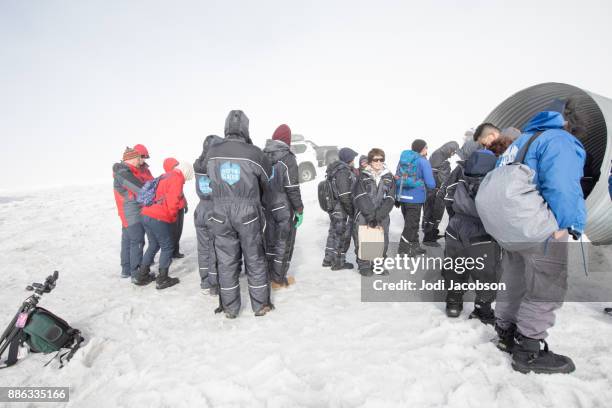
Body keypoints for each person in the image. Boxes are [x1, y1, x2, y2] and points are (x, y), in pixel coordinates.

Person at [494, 109, 586, 374]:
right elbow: (563, 185)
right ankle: (528, 350)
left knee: (514, 280)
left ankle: (505, 333)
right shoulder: (559, 140)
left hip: (514, 228)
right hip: (541, 226)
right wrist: (565, 222)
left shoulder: (521, 141)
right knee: (547, 285)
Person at [203, 110, 273, 318]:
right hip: (248, 211)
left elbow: (207, 174)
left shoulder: (212, 152)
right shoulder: (254, 152)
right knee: (254, 258)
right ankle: (260, 305)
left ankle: (230, 308)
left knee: (226, 261)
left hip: (220, 212)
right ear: (245, 128)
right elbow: (267, 178)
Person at [442, 149, 500, 323]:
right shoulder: (494, 181)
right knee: (486, 271)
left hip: (455, 227)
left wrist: (455, 217)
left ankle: (453, 302)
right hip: (482, 229)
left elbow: (446, 196)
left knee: (454, 264)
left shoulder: (460, 175)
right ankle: (483, 307)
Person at [139, 158, 193, 290]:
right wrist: (172, 217)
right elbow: (173, 200)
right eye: (188, 177)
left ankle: (142, 275)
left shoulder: (165, 175)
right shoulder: (177, 178)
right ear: (185, 172)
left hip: (146, 213)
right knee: (168, 246)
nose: (186, 180)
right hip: (159, 216)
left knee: (153, 244)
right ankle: (162, 279)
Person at [263, 124, 304, 289]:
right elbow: (292, 187)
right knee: (283, 242)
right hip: (283, 206)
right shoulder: (288, 158)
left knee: (270, 240)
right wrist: (299, 209)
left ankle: (268, 275)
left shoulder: (263, 155)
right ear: (287, 140)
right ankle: (278, 280)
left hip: (267, 204)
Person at [352, 148, 396, 276]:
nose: (378, 162)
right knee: (364, 239)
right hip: (365, 214)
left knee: (382, 240)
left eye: (381, 159)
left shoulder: (389, 177)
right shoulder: (362, 176)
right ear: (370, 161)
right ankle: (364, 265)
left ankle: (378, 265)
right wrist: (371, 215)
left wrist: (379, 215)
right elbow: (360, 196)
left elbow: (390, 198)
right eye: (375, 160)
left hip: (382, 215)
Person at [113, 147, 150, 280]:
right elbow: (140, 189)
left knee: (128, 240)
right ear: (130, 159)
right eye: (137, 158)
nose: (139, 161)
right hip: (131, 212)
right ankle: (136, 274)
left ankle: (126, 269)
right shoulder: (123, 172)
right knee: (137, 241)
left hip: (127, 211)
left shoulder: (124, 171)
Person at [193, 135, 224, 295]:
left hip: (200, 210)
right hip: (213, 209)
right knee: (215, 248)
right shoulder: (214, 165)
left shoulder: (198, 164)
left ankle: (205, 281)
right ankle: (214, 283)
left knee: (203, 248)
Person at [395, 139, 435, 256]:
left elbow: (398, 176)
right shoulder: (423, 161)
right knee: (411, 225)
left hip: (402, 196)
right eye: (426, 147)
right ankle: (403, 249)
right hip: (415, 198)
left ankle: (415, 246)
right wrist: (432, 188)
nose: (427, 150)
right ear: (422, 148)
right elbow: (430, 183)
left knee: (411, 223)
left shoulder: (403, 160)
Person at [322, 147, 358, 270]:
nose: (354, 160)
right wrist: (351, 211)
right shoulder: (343, 171)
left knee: (333, 232)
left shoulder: (336, 169)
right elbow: (344, 195)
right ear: (349, 159)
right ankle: (338, 262)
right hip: (341, 208)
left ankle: (328, 259)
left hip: (334, 207)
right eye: (353, 158)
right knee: (342, 234)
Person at [422, 141, 459, 246]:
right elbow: (438, 175)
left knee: (431, 212)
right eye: (453, 152)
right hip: (435, 190)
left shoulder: (439, 155)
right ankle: (428, 238)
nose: (453, 155)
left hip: (433, 189)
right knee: (434, 212)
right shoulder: (439, 157)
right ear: (449, 149)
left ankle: (431, 233)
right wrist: (441, 186)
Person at [162, 159, 188, 259]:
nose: (177, 167)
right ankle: (171, 252)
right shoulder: (168, 178)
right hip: (173, 209)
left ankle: (175, 251)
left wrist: (185, 204)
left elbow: (181, 193)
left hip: (180, 208)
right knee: (173, 232)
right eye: (175, 166)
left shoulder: (177, 177)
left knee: (178, 231)